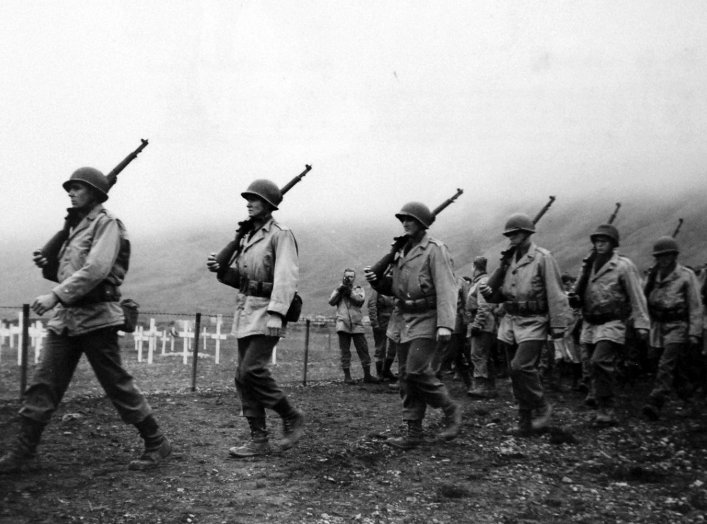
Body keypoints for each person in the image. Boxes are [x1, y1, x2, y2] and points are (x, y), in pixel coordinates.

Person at [0, 167, 170, 473]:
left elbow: (96, 270)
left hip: (96, 318)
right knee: (43, 383)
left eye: (77, 188)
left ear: (94, 192)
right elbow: (67, 272)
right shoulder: (75, 228)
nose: (71, 192)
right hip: (66, 319)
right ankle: (24, 450)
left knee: (116, 384)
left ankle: (156, 442)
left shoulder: (107, 224)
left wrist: (55, 296)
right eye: (70, 188)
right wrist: (48, 264)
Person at [207, 179, 304, 457]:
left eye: (255, 199)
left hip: (268, 311)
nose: (248, 203)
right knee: (242, 376)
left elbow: (287, 277)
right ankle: (258, 439)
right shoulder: (247, 236)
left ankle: (291, 415)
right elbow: (242, 279)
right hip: (246, 310)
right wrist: (220, 267)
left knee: (252, 370)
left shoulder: (280, 234)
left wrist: (276, 314)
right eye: (247, 199)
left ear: (269, 205)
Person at [365, 201, 461, 450]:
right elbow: (395, 287)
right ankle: (413, 431)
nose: (405, 223)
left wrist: (445, 324)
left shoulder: (435, 250)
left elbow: (447, 287)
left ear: (422, 224)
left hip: (428, 317)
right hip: (403, 318)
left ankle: (450, 409)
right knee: (406, 377)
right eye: (402, 220)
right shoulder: (402, 251)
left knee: (417, 370)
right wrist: (377, 282)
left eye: (410, 220)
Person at [480, 213, 570, 436]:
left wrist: (558, 329)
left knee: (522, 366)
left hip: (535, 321)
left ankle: (542, 407)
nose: (512, 237)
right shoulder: (509, 261)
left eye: (516, 233)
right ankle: (525, 420)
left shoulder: (543, 258)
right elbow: (504, 294)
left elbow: (556, 294)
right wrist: (491, 294)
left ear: (528, 234)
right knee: (514, 372)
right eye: (509, 234)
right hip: (510, 322)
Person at [569, 224, 649, 426]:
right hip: (590, 322)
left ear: (613, 244)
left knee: (599, 361)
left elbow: (636, 295)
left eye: (604, 241)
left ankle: (607, 409)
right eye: (597, 241)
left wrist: (642, 323)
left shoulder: (623, 266)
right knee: (590, 366)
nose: (599, 244)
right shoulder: (588, 265)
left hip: (612, 322)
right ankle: (599, 405)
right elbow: (577, 293)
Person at [642, 236, 703, 420]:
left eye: (667, 256)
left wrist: (694, 332)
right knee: (668, 365)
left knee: (666, 363)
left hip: (678, 325)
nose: (664, 260)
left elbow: (695, 305)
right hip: (658, 326)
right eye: (660, 256)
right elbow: (644, 299)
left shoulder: (686, 275)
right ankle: (688, 397)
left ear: (674, 256)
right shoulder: (652, 277)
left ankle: (655, 401)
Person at [329, 269, 380, 384]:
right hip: (343, 324)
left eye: (351, 276)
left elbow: (360, 301)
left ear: (354, 278)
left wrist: (349, 292)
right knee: (345, 352)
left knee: (363, 350)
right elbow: (331, 301)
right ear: (343, 277)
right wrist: (340, 290)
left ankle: (367, 375)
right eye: (347, 276)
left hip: (357, 324)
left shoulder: (358, 289)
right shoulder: (338, 289)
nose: (349, 278)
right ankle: (347, 377)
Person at [466, 256, 498, 399]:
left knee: (477, 354)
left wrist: (477, 324)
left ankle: (481, 386)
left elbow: (484, 306)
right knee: (484, 354)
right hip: (484, 322)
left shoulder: (482, 282)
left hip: (482, 323)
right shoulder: (482, 281)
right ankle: (490, 386)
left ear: (474, 267)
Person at [367, 285, 397, 382]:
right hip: (381, 321)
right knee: (380, 347)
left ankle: (386, 370)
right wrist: (374, 323)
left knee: (394, 345)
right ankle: (379, 373)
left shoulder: (394, 284)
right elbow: (372, 304)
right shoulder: (377, 286)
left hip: (394, 320)